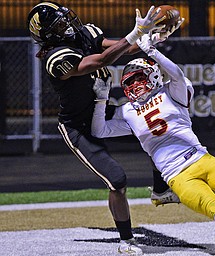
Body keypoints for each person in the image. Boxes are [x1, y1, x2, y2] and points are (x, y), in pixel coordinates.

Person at [90, 33, 215, 256]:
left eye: (138, 78)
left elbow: (178, 74)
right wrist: (101, 100)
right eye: (129, 82)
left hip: (202, 158)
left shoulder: (171, 92)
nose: (134, 85)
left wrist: (152, 52)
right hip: (177, 175)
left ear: (153, 75)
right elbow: (99, 130)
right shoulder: (128, 111)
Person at [27, 1, 181, 255]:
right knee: (117, 181)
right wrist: (133, 33)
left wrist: (152, 37)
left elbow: (123, 49)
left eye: (65, 18)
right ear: (48, 34)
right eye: (59, 24)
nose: (67, 23)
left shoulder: (85, 32)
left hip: (102, 111)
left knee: (155, 128)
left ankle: (161, 189)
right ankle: (126, 241)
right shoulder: (55, 58)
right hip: (78, 127)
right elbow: (98, 61)